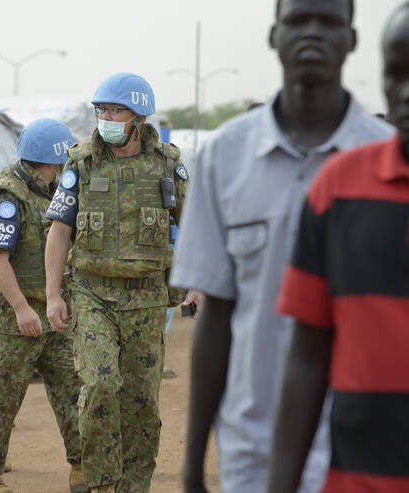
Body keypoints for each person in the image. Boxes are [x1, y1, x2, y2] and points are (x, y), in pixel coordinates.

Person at [169, 0, 396, 491]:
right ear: (274, 35)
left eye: (329, 21)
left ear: (352, 39)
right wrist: (192, 465)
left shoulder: (387, 161)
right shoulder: (223, 159)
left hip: (366, 454)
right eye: (297, 20)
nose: (312, 33)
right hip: (252, 448)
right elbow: (217, 316)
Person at [269, 4, 409, 492]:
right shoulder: (340, 187)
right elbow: (307, 355)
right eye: (396, 74)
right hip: (357, 478)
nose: (406, 92)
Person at [45, 73, 190, 493]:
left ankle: (133, 486)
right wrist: (54, 294)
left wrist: (198, 283)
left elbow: (195, 223)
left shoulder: (166, 163)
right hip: (92, 295)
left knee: (142, 403)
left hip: (146, 298)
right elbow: (59, 231)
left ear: (138, 115)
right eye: (100, 110)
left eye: (114, 110)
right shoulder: (81, 162)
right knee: (100, 386)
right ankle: (101, 484)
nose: (104, 118)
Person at [0, 118, 85, 493]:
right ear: (40, 162)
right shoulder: (7, 198)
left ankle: (82, 468)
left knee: (74, 393)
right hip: (12, 320)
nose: (60, 173)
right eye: (57, 166)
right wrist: (21, 309)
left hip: (54, 315)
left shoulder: (52, 194)